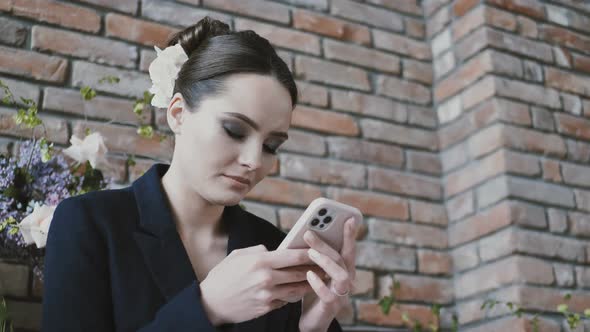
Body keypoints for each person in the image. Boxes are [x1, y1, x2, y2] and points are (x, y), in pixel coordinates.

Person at [41, 17, 359, 332]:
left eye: (271, 146)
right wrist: (207, 307)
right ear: (178, 114)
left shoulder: (274, 249)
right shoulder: (90, 223)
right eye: (234, 130)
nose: (253, 160)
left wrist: (313, 327)